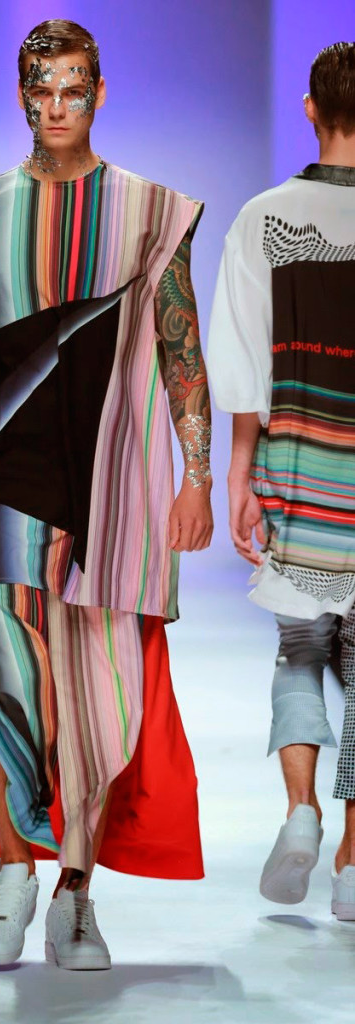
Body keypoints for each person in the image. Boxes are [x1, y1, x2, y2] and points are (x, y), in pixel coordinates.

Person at [0, 19, 213, 969]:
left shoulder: (150, 213)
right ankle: (14, 870)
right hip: (0, 475)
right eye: (41, 88)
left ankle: (75, 894)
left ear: (99, 93)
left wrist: (198, 475)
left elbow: (181, 345)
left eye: (72, 88)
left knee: (96, 694)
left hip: (113, 483)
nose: (55, 106)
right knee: (7, 665)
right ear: (20, 95)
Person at [208, 42, 355, 921]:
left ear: (310, 109)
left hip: (297, 464)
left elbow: (241, 358)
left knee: (301, 648)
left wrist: (238, 472)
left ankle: (301, 811)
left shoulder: (264, 220)